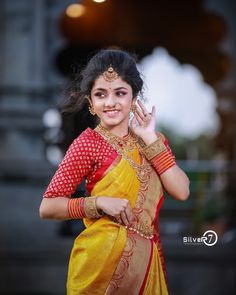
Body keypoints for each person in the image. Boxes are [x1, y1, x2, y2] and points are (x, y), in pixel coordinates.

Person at [39, 48, 190, 295]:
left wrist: (150, 139)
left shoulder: (153, 142)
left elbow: (182, 191)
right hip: (99, 268)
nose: (110, 103)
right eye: (101, 94)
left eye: (120, 93)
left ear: (134, 97)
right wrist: (98, 203)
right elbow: (47, 207)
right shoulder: (88, 143)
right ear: (90, 102)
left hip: (147, 263)